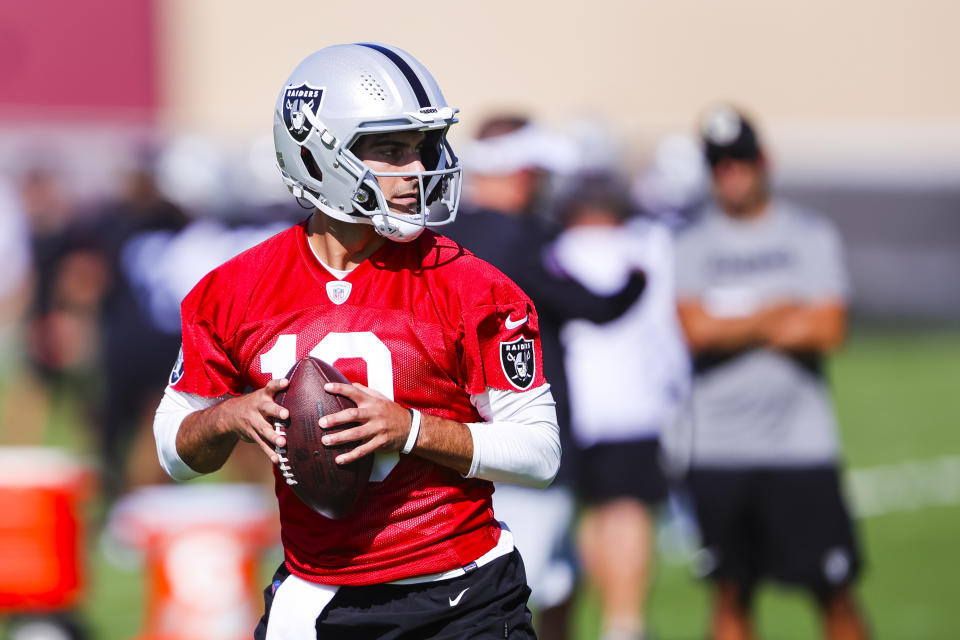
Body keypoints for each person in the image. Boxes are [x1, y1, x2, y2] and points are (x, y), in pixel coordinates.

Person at [153, 43, 561, 639]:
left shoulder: (471, 285)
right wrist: (229, 417)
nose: (418, 172)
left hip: (464, 594)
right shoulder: (234, 290)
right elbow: (173, 451)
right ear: (319, 155)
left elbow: (540, 453)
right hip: (318, 594)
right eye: (391, 151)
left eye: (421, 151)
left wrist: (411, 429)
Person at [671, 105, 869, 640]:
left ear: (764, 160)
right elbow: (697, 330)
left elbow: (828, 327)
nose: (730, 174)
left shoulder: (808, 233)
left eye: (739, 160)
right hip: (719, 449)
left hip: (800, 448)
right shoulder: (691, 243)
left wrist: (731, 320)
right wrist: (778, 310)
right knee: (731, 590)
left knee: (835, 589)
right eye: (719, 164)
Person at [445, 117, 646, 640]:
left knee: (540, 592)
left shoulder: (440, 237)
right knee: (515, 601)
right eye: (531, 172)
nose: (536, 185)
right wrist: (637, 279)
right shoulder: (516, 236)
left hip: (460, 446)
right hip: (518, 442)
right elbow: (597, 306)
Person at [550, 177, 690, 640]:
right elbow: (669, 333)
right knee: (627, 512)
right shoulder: (646, 248)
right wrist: (679, 396)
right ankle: (623, 623)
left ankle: (612, 619)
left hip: (570, 408)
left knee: (591, 513)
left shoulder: (554, 249)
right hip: (634, 405)